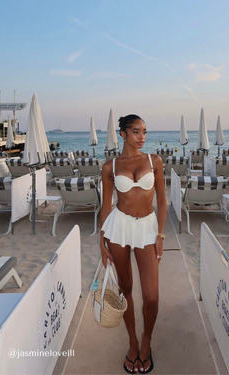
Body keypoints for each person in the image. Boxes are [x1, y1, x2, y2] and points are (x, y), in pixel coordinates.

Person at [100, 114, 167, 374]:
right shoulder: (110, 167)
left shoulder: (154, 161)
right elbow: (106, 206)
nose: (142, 137)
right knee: (125, 289)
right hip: (119, 228)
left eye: (145, 132)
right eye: (136, 132)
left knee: (151, 297)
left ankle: (147, 340)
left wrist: (160, 234)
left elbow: (162, 200)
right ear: (123, 134)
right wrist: (101, 242)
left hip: (147, 229)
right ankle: (133, 342)